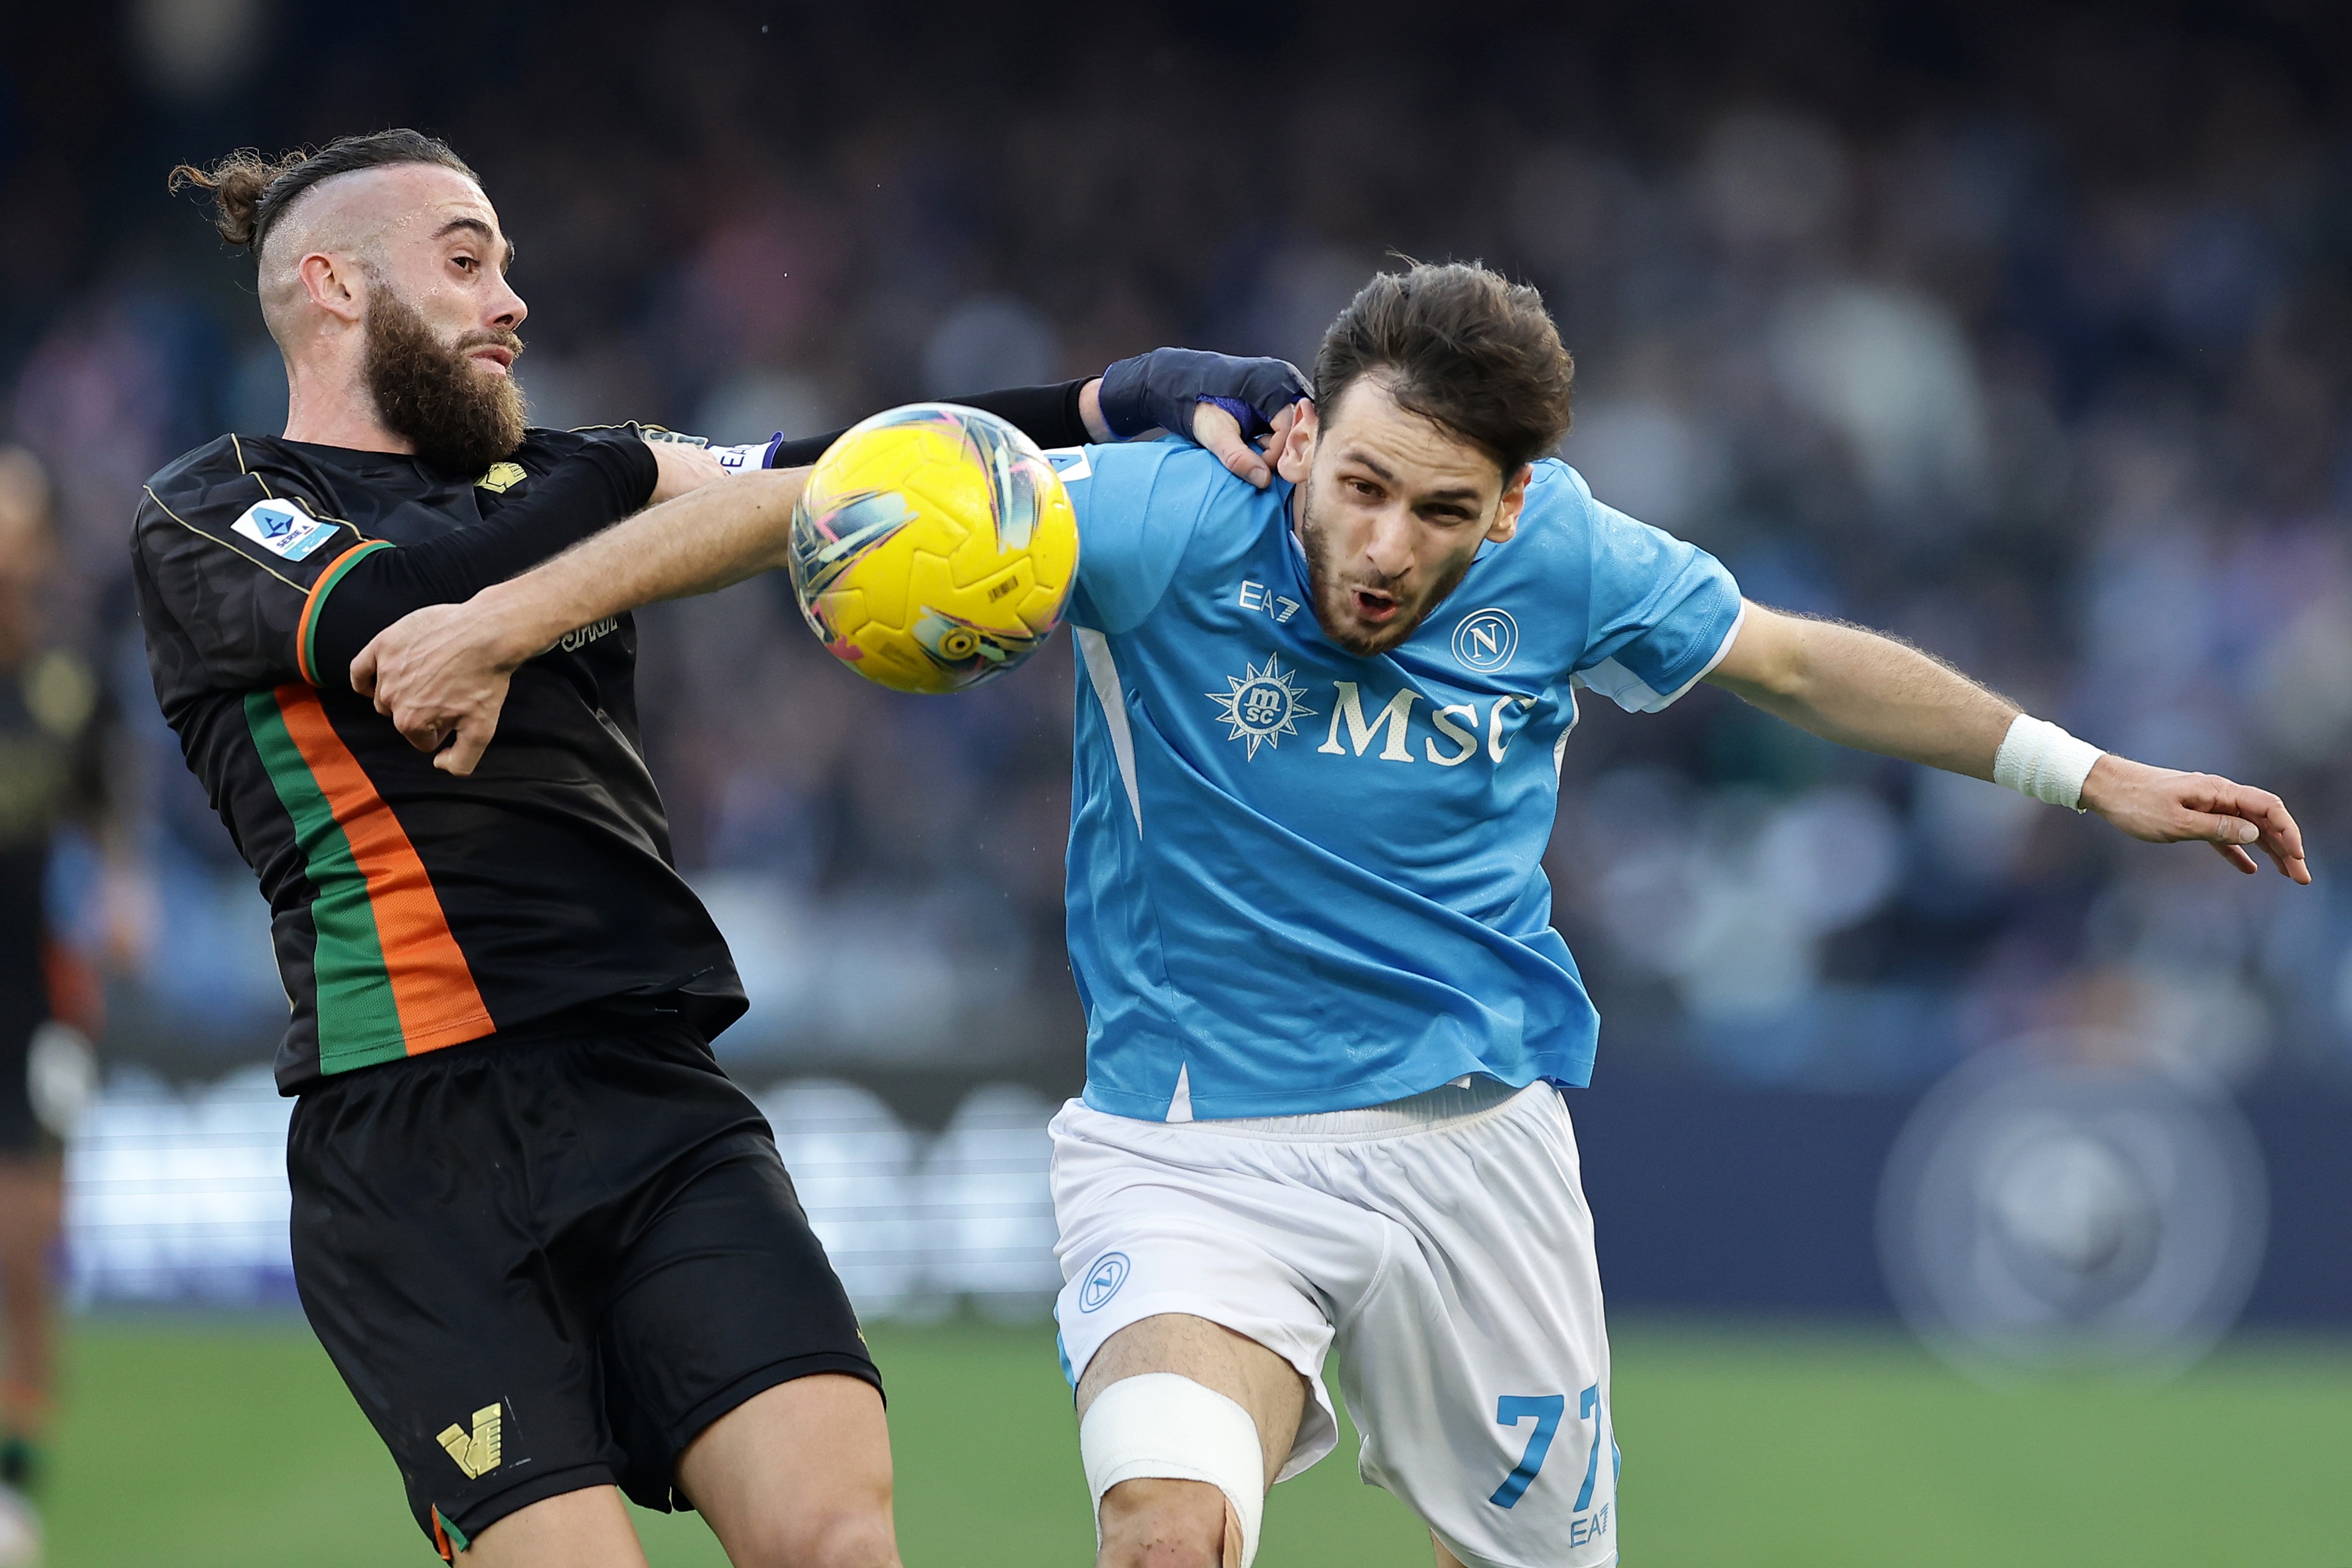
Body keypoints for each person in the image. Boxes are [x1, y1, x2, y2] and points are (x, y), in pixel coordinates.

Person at [352, 262, 2310, 1568]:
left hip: (1477, 1155)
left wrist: (2082, 772)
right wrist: (507, 620)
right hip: (1195, 1148)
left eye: (1438, 514)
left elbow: (1794, 664)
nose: (1381, 547)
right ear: (1307, 439)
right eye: (1357, 487)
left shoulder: (1585, 565)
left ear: (1515, 507)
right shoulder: (1154, 517)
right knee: (1168, 1531)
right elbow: (808, 495)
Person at [134, 127, 1306, 1567]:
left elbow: (853, 468)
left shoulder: (554, 479)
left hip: (653, 1100)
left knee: (837, 1539)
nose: (510, 299)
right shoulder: (213, 504)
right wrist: (629, 473)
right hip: (414, 1146)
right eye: (464, 262)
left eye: (505, 262)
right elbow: (408, 618)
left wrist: (1121, 395)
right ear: (331, 285)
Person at [0, 448, 115, 1567]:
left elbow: (105, 816)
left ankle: (15, 1486)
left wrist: (124, 894)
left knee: (24, 1253)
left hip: (32, 997)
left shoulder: (70, 688)